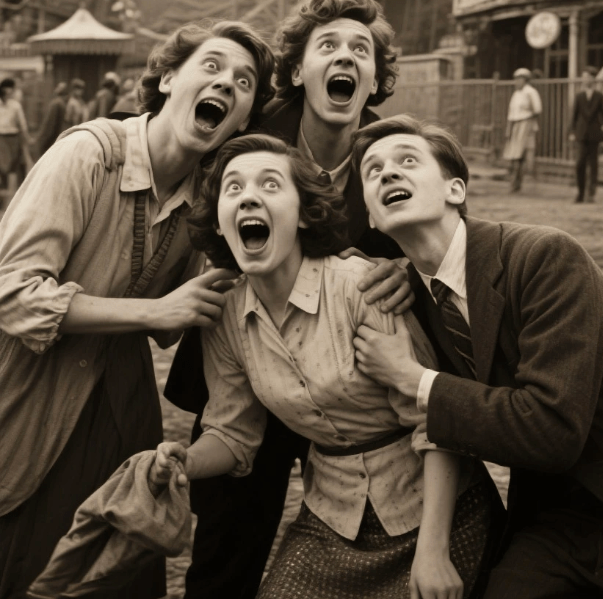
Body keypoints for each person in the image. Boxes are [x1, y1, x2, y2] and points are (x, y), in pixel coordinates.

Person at [151, 133, 498, 599]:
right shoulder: (226, 316)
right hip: (332, 519)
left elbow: (435, 422)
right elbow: (234, 433)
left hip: (440, 515)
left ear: (302, 213)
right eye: (234, 188)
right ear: (218, 221)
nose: (249, 196)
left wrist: (433, 553)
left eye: (270, 185)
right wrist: (185, 461)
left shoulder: (360, 287)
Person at [0, 20, 275, 599]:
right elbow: (12, 293)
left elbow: (196, 310)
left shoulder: (210, 199)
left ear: (244, 119)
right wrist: (155, 312)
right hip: (28, 388)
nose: (226, 83)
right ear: (168, 79)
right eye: (212, 66)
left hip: (120, 403)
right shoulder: (89, 154)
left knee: (115, 566)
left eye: (244, 82)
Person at [165, 2, 412, 597]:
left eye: (361, 50)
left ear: (376, 80)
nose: (345, 57)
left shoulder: (393, 151)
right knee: (227, 538)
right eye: (328, 46)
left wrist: (411, 268)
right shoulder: (251, 130)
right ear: (298, 71)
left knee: (349, 532)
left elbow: (443, 236)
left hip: (351, 374)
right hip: (250, 352)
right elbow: (170, 119)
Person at [351, 113, 603, 597]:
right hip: (555, 516)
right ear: (371, 218)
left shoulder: (546, 256)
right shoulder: (408, 299)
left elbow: (553, 430)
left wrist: (413, 379)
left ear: (456, 190)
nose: (388, 172)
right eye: (373, 170)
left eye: (408, 160)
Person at [503, 67, 542, 193]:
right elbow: (511, 113)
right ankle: (514, 183)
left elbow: (537, 110)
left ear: (525, 80)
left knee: (521, 154)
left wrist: (527, 122)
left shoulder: (531, 92)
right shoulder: (516, 94)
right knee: (514, 154)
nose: (516, 82)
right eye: (516, 79)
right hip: (516, 125)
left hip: (526, 124)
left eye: (519, 79)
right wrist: (509, 128)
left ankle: (519, 181)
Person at [569, 65, 603, 203]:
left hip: (594, 133)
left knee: (593, 164)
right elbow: (574, 115)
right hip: (581, 133)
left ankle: (591, 194)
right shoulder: (579, 96)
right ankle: (580, 193)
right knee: (580, 163)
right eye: (583, 77)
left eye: (587, 77)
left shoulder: (599, 96)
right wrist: (572, 132)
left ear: (593, 79)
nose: (585, 80)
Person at [0, 77, 30, 193]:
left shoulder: (15, 105)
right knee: (2, 168)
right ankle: (3, 194)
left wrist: (26, 139)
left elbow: (22, 124)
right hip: (1, 138)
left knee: (16, 166)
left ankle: (19, 192)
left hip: (13, 138)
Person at [36, 81, 69, 155]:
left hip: (52, 139)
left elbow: (49, 124)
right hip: (58, 138)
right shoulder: (62, 103)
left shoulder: (56, 103)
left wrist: (43, 139)